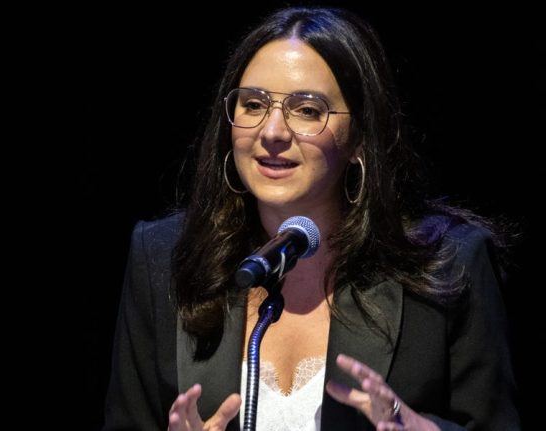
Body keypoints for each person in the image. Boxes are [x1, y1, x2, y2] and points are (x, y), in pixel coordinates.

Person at [102, 6, 520, 431]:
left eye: (307, 110)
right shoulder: (162, 258)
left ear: (360, 138)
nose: (272, 132)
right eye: (253, 105)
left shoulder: (451, 264)